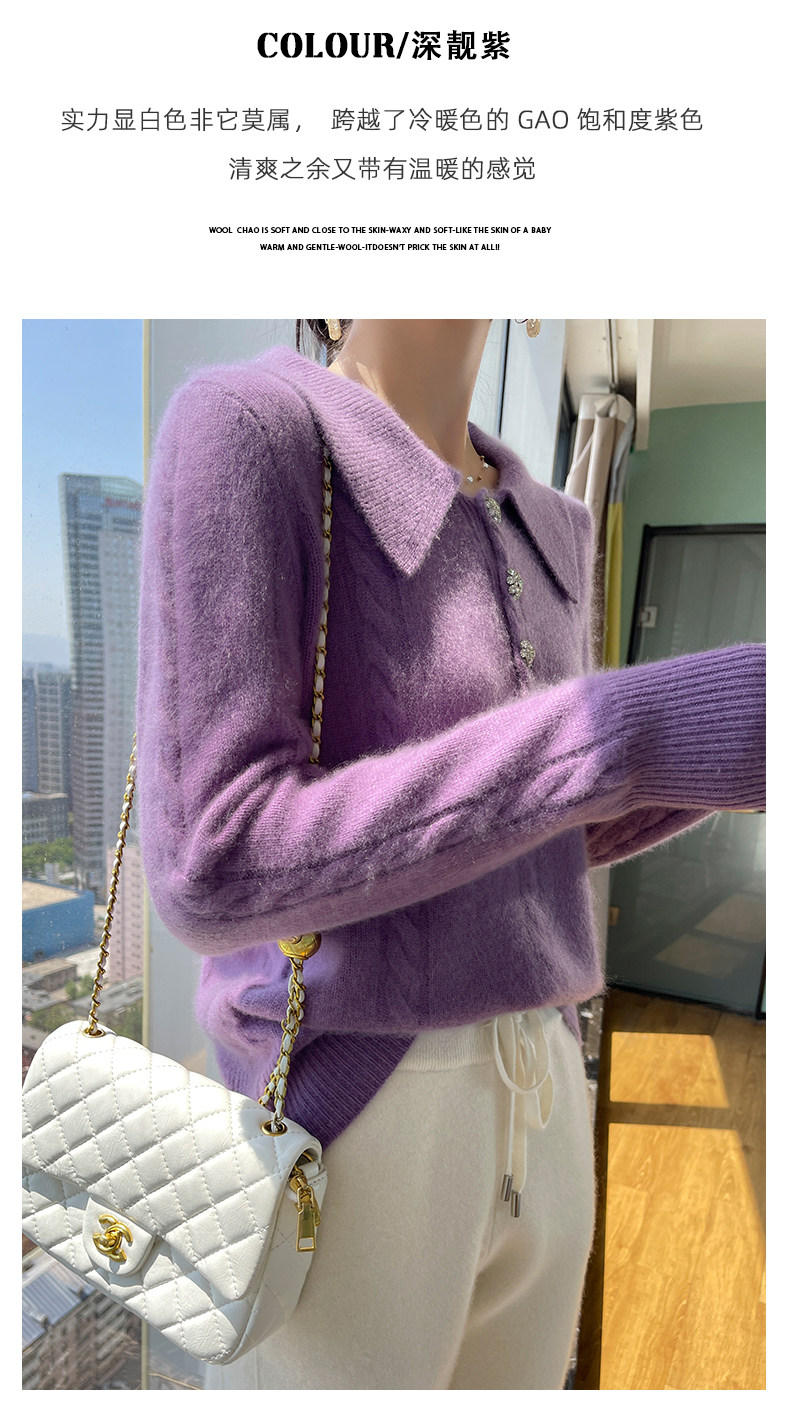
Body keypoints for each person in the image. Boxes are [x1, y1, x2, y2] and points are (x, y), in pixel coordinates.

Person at [136, 319, 765, 1390]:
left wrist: (713, 756)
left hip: (545, 1085)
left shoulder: (554, 522)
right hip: (348, 1120)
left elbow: (530, 836)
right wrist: (621, 735)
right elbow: (211, 856)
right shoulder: (251, 428)